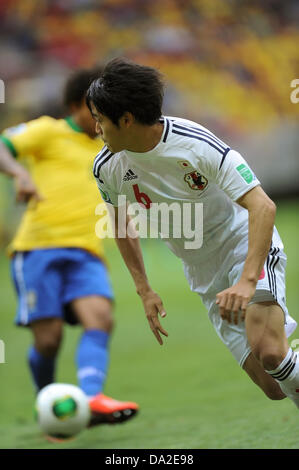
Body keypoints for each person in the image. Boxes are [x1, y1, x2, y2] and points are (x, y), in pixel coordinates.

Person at [86, 57, 299, 411]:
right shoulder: (107, 166)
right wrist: (144, 289)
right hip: (203, 272)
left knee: (272, 353)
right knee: (274, 387)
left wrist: (247, 280)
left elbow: (263, 207)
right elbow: (122, 223)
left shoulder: (194, 142)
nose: (96, 129)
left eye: (100, 120)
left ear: (125, 119)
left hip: (244, 245)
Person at [0, 67, 139, 430]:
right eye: (95, 109)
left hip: (87, 252)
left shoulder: (110, 148)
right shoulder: (48, 130)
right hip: (38, 249)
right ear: (79, 103)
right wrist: (20, 174)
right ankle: (46, 399)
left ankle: (92, 397)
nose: (99, 118)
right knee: (49, 340)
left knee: (101, 320)